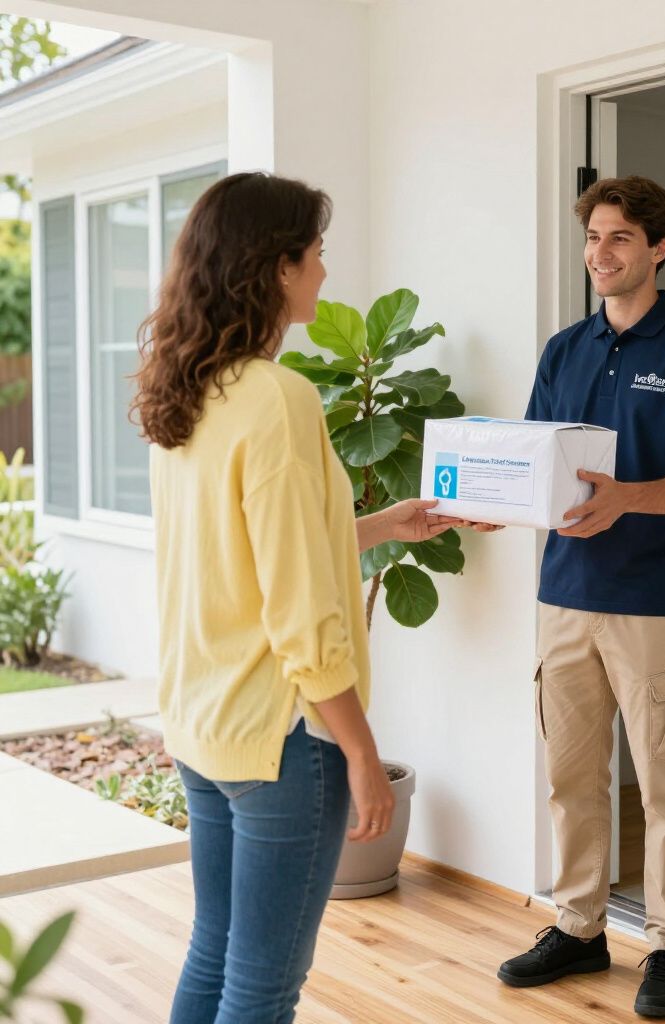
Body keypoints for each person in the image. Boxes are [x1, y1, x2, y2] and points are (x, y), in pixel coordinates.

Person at [131, 171, 463, 1024]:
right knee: (264, 985)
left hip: (205, 726)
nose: (323, 270)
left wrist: (382, 524)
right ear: (276, 268)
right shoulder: (279, 398)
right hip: (285, 739)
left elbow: (241, 553)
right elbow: (298, 605)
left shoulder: (188, 389)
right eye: (314, 254)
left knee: (216, 951)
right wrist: (358, 748)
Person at [498, 176, 665, 1019]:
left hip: (651, 603)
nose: (602, 254)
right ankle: (579, 926)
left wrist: (628, 498)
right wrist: (497, 507)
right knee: (571, 778)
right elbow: (534, 460)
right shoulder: (564, 350)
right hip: (562, 593)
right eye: (594, 238)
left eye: (621, 239)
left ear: (658, 248)